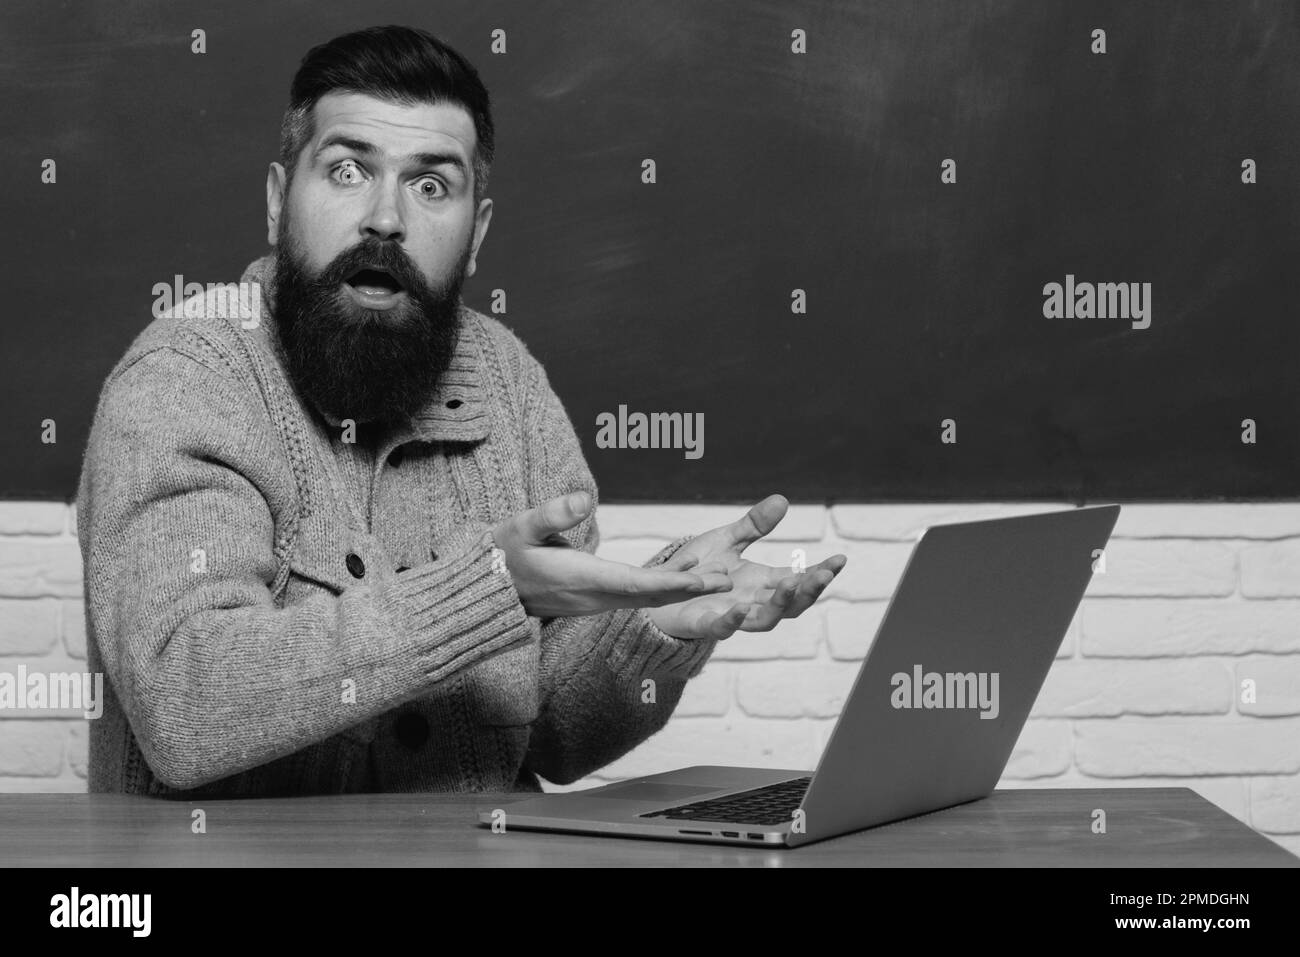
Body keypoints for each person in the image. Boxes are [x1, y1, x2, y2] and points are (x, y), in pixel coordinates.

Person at [75, 24, 845, 797]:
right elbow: (184, 704)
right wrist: (485, 589)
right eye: (347, 170)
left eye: (430, 184)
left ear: (476, 233)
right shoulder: (184, 377)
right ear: (279, 201)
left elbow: (558, 735)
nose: (385, 218)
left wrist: (657, 622)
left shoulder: (508, 381)